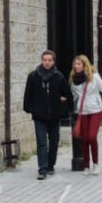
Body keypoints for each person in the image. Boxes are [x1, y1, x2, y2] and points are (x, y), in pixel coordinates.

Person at [23, 49, 73, 179]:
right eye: (45, 60)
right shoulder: (33, 76)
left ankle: (51, 165)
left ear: (53, 62)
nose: (47, 63)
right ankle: (42, 169)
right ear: (41, 61)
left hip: (54, 115)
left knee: (54, 141)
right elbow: (28, 94)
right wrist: (30, 109)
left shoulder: (59, 77)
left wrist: (63, 102)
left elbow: (67, 94)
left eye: (49, 60)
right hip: (39, 115)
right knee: (41, 142)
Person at [69, 54, 102, 175]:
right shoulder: (74, 81)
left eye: (79, 64)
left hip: (95, 109)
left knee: (92, 137)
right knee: (84, 139)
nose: (76, 66)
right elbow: (74, 96)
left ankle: (96, 163)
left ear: (84, 65)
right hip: (82, 111)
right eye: (75, 64)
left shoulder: (94, 77)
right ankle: (86, 166)